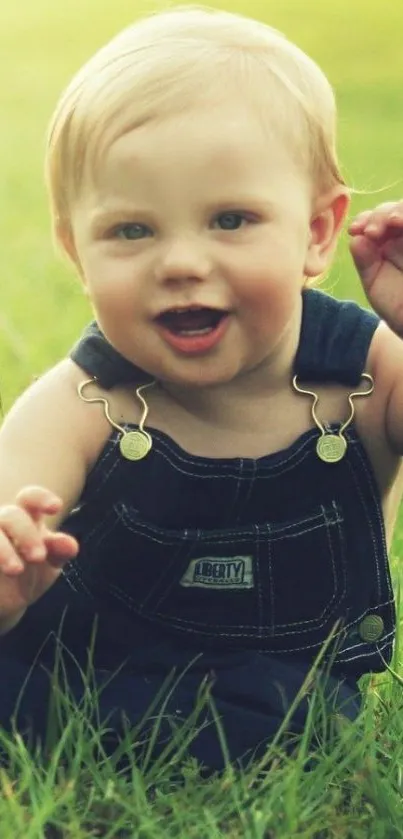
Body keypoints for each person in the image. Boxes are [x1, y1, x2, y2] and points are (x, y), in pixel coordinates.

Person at [1, 5, 403, 771]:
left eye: (229, 219)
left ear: (317, 231)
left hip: (285, 694)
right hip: (86, 673)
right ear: (74, 250)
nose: (180, 262)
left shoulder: (367, 374)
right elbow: (10, 511)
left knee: (303, 717)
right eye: (131, 230)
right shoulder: (85, 401)